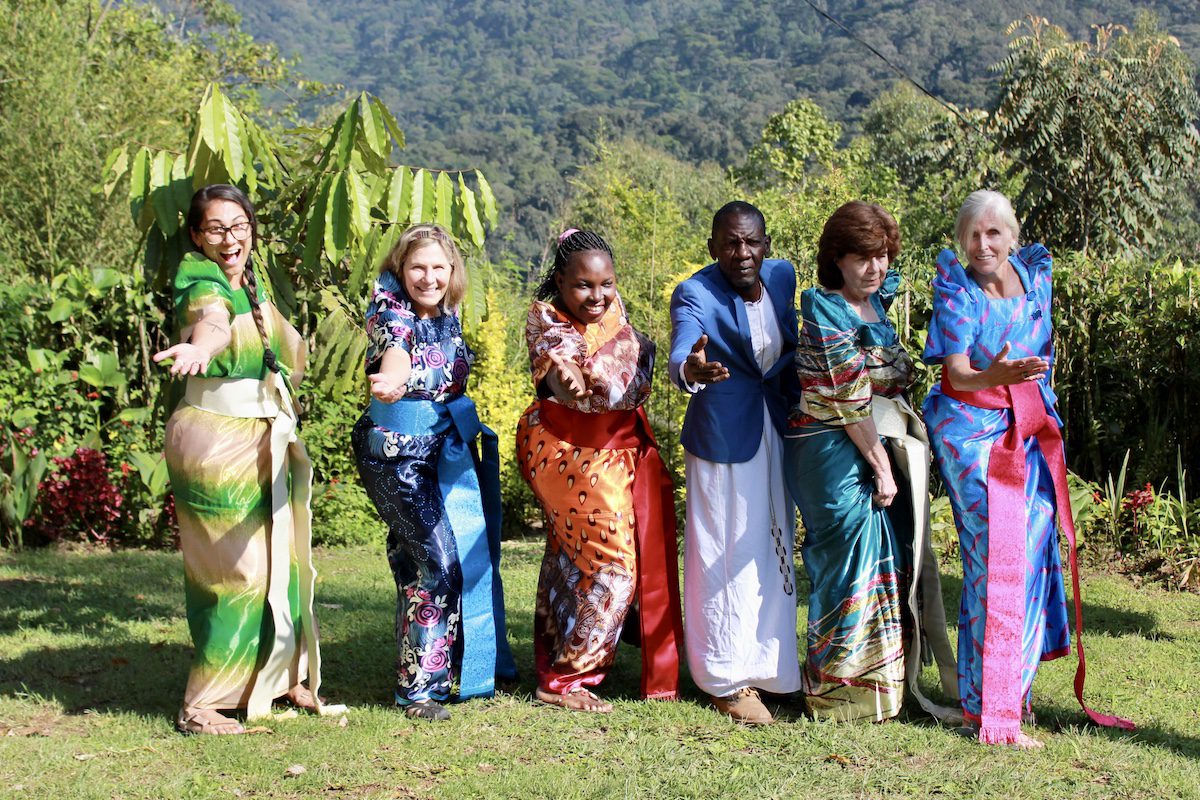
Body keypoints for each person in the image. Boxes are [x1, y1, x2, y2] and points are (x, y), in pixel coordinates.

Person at [923, 190, 1134, 747]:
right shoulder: (956, 289)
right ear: (960, 239)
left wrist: (1034, 395)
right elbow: (957, 376)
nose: (983, 244)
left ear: (1012, 236)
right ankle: (990, 710)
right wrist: (1001, 375)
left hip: (1029, 425)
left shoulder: (1036, 279)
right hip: (970, 431)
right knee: (996, 553)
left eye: (993, 233)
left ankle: (1008, 694)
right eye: (972, 233)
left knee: (1034, 545)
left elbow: (1043, 357)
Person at [155, 184, 340, 735]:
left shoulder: (251, 282)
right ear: (196, 235)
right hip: (215, 440)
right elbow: (211, 322)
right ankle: (203, 703)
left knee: (278, 558)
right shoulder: (201, 280)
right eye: (216, 228)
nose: (229, 239)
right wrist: (200, 347)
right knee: (235, 569)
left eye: (239, 227)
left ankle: (277, 675)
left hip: (261, 435)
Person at [783, 201, 958, 724]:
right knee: (847, 563)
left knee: (891, 558)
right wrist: (881, 465)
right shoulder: (823, 308)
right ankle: (841, 696)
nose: (875, 267)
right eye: (863, 257)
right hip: (832, 449)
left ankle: (886, 690)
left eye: (882, 255)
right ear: (837, 259)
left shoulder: (879, 303)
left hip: (880, 442)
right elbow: (847, 395)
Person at [351, 223, 516, 722]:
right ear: (400, 270)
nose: (428, 277)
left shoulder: (450, 314)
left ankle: (438, 664)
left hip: (442, 447)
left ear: (452, 272)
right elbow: (397, 352)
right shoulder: (389, 311)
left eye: (438, 267)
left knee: (422, 558)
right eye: (417, 267)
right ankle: (420, 690)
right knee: (439, 562)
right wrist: (392, 381)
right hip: (395, 454)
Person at [516, 229, 683, 713]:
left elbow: (624, 366)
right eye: (583, 286)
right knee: (613, 563)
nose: (597, 295)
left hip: (618, 450)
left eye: (605, 283)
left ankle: (558, 651)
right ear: (560, 283)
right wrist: (564, 375)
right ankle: (568, 679)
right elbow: (558, 366)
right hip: (566, 451)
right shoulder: (545, 317)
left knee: (572, 557)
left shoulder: (614, 312)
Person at [668, 201, 801, 725]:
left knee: (773, 547)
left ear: (766, 244)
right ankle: (725, 676)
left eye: (751, 242)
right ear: (713, 247)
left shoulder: (783, 277)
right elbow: (684, 349)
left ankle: (773, 669)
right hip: (723, 435)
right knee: (725, 550)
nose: (742, 253)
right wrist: (692, 369)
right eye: (730, 243)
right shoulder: (695, 292)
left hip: (777, 424)